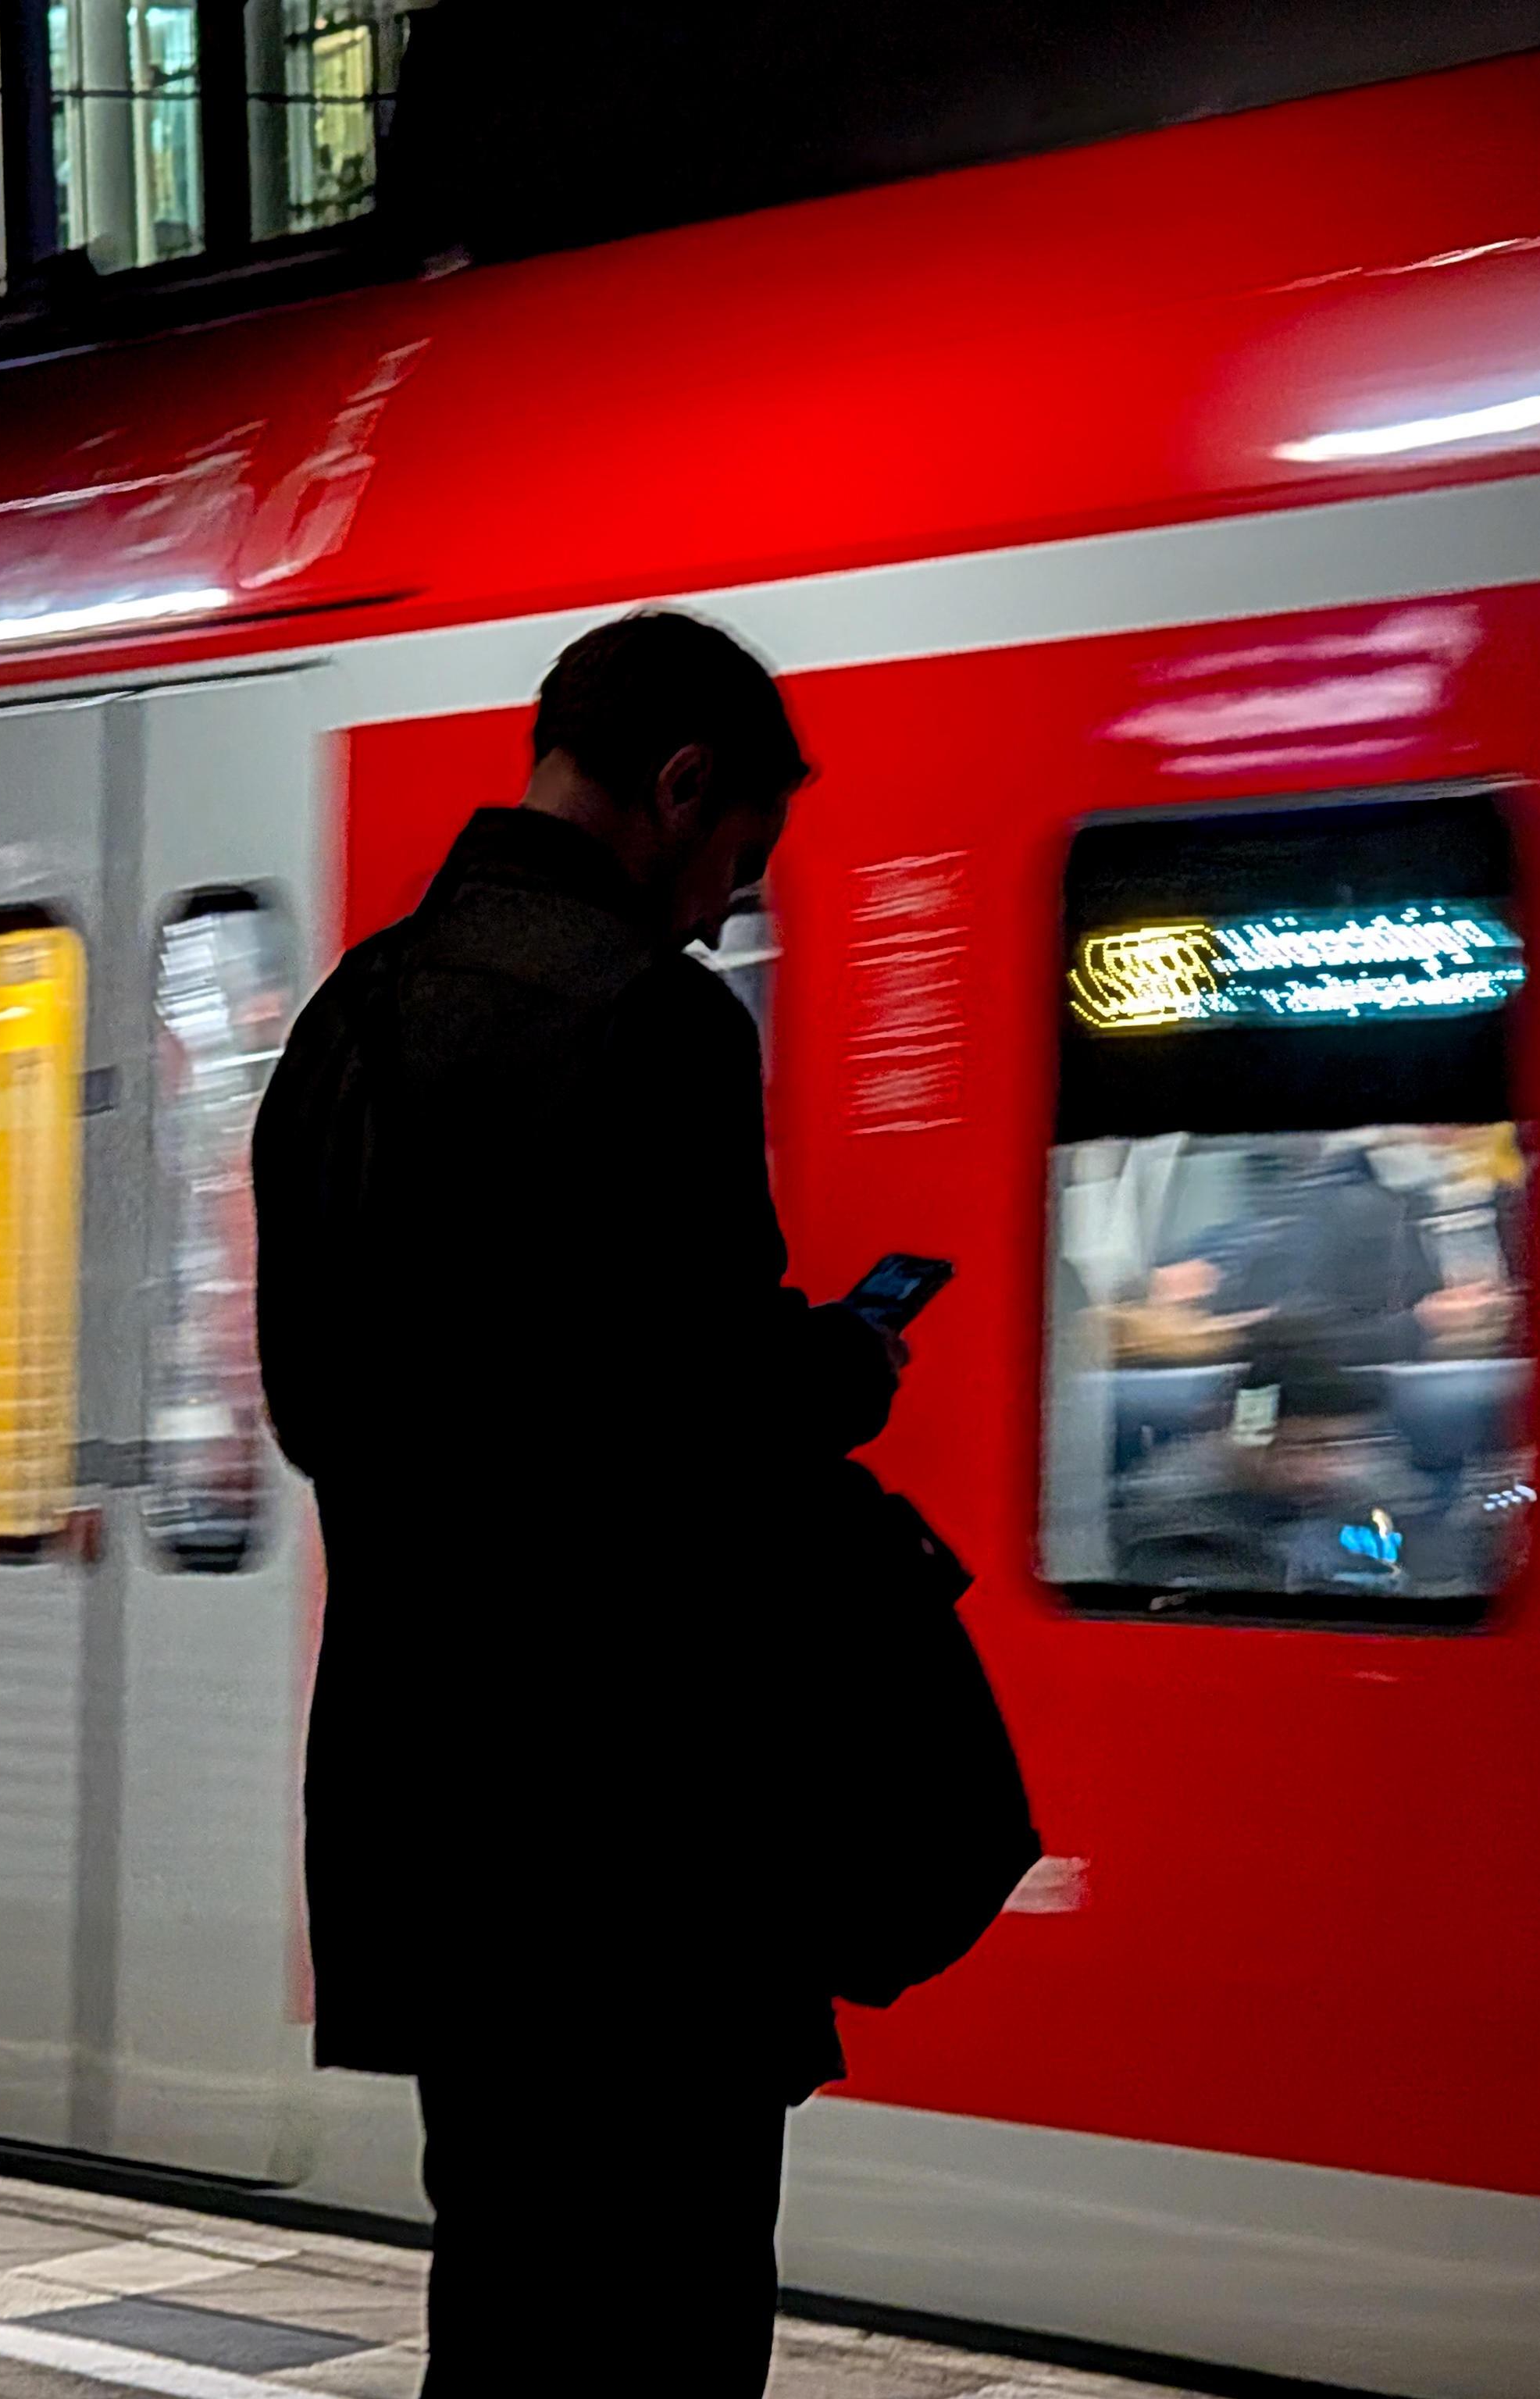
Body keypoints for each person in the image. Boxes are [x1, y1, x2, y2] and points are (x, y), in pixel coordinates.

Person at [253, 611, 900, 2394]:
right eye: (736, 864)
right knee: (673, 2316)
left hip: (432, 1809)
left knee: (513, 2289)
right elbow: (701, 1409)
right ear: (681, 787)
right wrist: (836, 1368)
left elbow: (315, 1409)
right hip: (644, 1826)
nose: (720, 913)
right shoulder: (655, 1026)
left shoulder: (346, 1023)